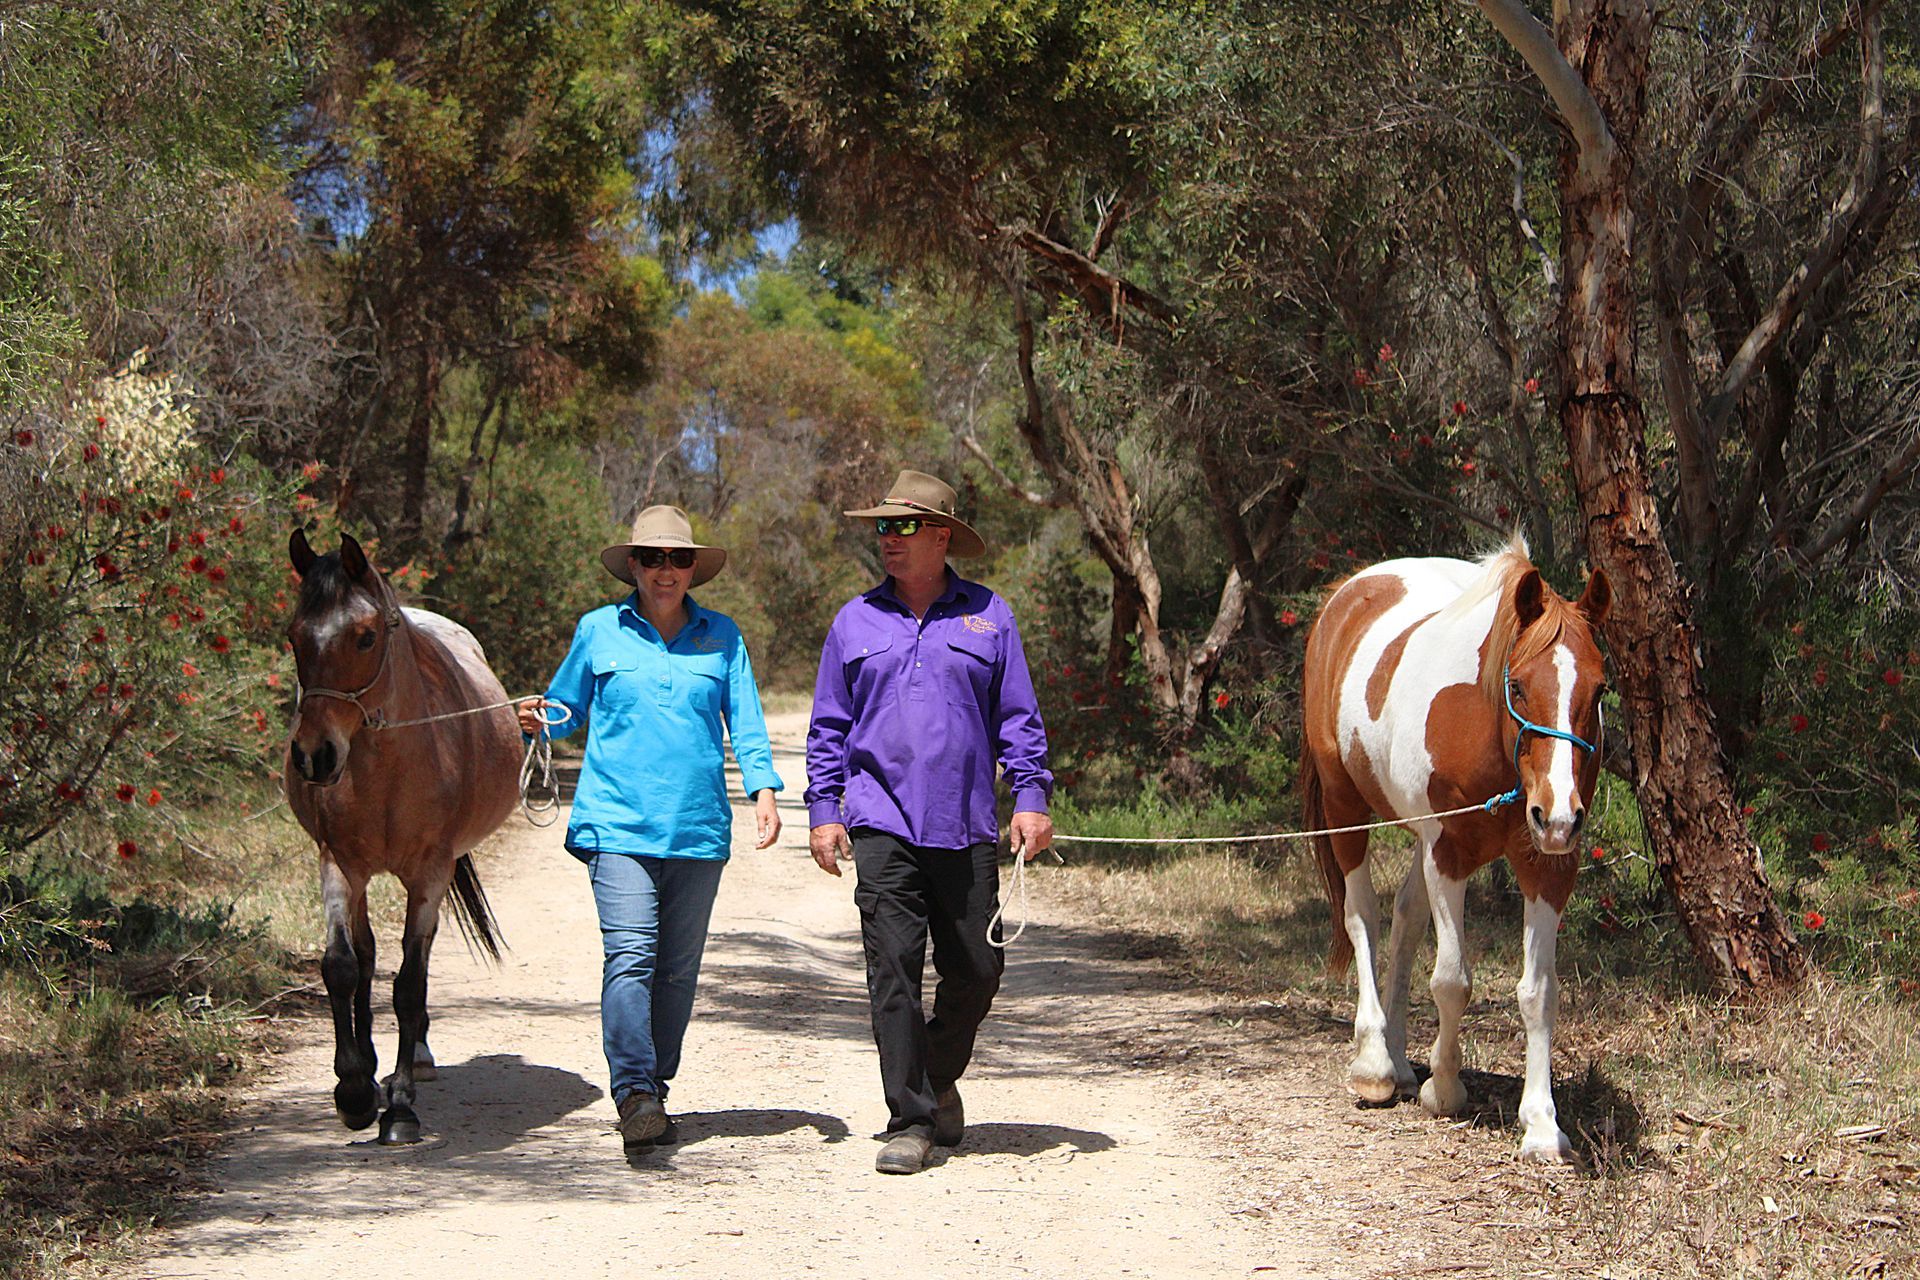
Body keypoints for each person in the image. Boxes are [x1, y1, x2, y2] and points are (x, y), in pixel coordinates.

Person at [805, 469, 1054, 1175]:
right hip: (881, 823)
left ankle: (938, 1073)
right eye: (882, 526)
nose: (888, 538)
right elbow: (827, 727)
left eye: (903, 525)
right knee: (892, 974)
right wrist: (825, 812)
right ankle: (910, 1118)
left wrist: (1031, 796)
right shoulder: (855, 621)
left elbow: (1018, 720)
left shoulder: (989, 616)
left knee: (978, 968)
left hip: (967, 823)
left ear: (942, 536)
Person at [518, 505, 781, 1153]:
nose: (666, 571)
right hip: (617, 825)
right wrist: (532, 718)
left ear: (694, 568)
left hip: (697, 829)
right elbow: (565, 709)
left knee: (677, 969)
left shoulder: (723, 637)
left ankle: (655, 1086)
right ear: (633, 565)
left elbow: (743, 719)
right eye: (653, 558)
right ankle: (633, 1090)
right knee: (632, 955)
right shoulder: (598, 631)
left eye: (679, 559)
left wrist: (765, 786)